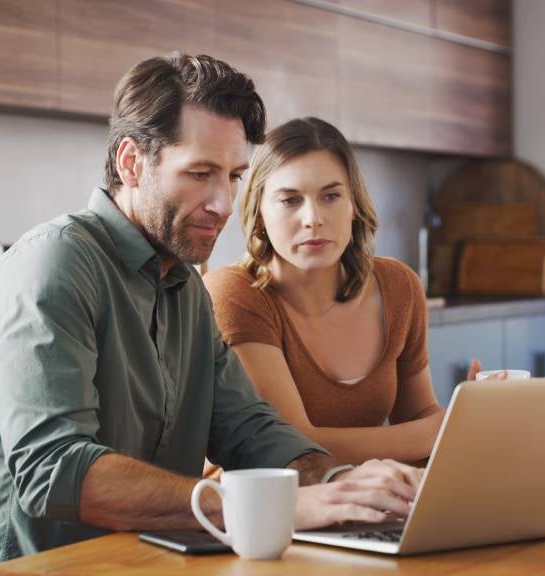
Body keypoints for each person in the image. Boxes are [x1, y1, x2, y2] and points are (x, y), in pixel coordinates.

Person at [0, 54, 419, 575]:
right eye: (200, 173)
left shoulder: (182, 283)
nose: (222, 204)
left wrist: (338, 485)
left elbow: (247, 428)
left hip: (151, 562)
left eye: (234, 176)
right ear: (131, 162)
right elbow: (56, 471)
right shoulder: (54, 263)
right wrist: (265, 506)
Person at [203, 117, 490, 466]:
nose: (313, 218)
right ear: (259, 213)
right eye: (290, 200)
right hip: (263, 510)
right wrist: (440, 430)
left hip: (368, 502)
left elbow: (418, 415)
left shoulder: (399, 286)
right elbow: (292, 444)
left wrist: (468, 415)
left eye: (331, 196)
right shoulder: (235, 294)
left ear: (353, 204)